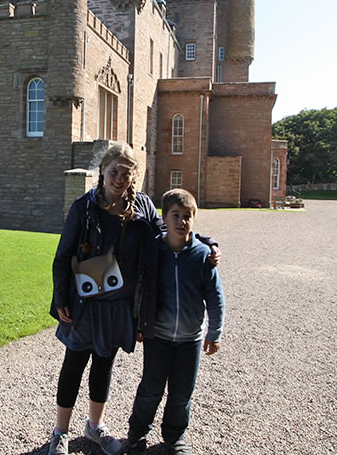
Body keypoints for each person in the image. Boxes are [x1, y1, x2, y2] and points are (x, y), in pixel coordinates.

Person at [48, 144, 217, 455]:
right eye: (114, 172)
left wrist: (205, 242)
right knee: (73, 366)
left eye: (126, 174)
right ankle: (60, 432)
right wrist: (61, 297)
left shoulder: (141, 206)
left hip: (118, 305)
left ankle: (94, 426)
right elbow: (63, 257)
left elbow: (170, 232)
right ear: (103, 171)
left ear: (133, 176)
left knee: (103, 366)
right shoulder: (83, 207)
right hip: (84, 304)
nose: (119, 179)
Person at [126, 188, 225, 455]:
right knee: (150, 389)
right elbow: (141, 288)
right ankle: (136, 434)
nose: (181, 222)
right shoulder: (154, 250)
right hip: (157, 336)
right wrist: (139, 324)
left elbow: (215, 297)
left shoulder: (202, 255)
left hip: (189, 339)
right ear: (165, 217)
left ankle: (175, 436)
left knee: (181, 394)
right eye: (176, 215)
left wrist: (214, 332)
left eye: (187, 217)